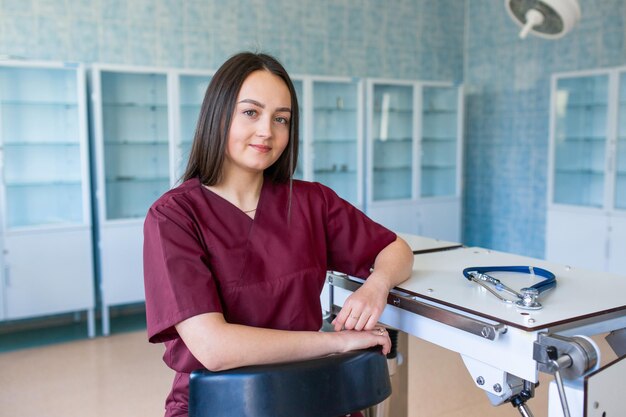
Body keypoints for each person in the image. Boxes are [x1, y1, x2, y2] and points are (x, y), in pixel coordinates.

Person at [143, 51, 414, 417]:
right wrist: (335, 342)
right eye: (251, 112)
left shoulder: (310, 202)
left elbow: (396, 249)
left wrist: (376, 285)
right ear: (218, 115)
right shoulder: (174, 216)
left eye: (281, 119)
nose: (267, 131)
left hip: (311, 395)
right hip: (222, 405)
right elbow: (214, 349)